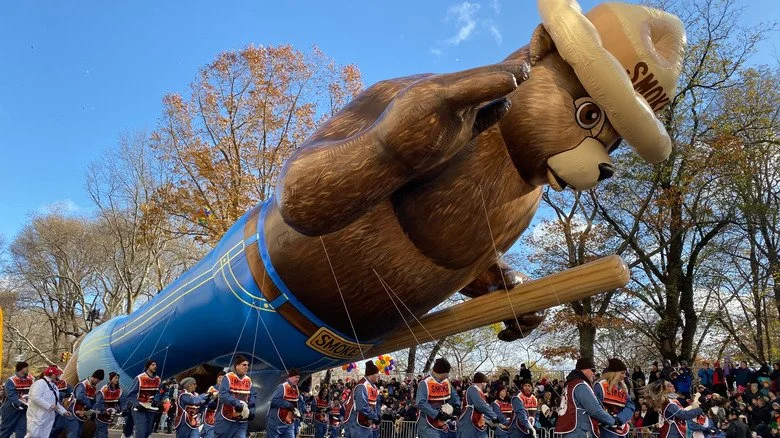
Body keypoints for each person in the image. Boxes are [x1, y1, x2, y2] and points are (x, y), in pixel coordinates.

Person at [555, 357, 617, 438]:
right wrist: (613, 421)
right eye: (592, 370)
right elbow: (594, 410)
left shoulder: (569, 384)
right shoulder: (580, 385)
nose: (594, 373)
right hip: (580, 431)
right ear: (583, 370)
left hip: (569, 430)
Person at [416, 358, 461, 438]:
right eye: (447, 373)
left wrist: (456, 406)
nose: (447, 376)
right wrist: (437, 414)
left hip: (445, 423)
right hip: (428, 424)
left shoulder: (446, 382)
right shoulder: (425, 383)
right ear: (444, 372)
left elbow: (455, 396)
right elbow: (421, 403)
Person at [593, 359, 636, 438]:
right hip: (605, 431)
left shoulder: (621, 388)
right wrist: (610, 420)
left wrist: (619, 419)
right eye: (622, 373)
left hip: (621, 429)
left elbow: (630, 406)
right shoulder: (600, 386)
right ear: (614, 373)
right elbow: (595, 409)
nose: (624, 376)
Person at [215, 355, 256, 438]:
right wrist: (236, 403)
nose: (247, 367)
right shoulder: (228, 377)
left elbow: (252, 395)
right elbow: (223, 395)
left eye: (248, 365)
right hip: (226, 417)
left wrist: (252, 410)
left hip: (242, 419)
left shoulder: (248, 380)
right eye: (244, 365)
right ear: (237, 366)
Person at [25, 365, 70, 438]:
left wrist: (63, 411)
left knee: (44, 436)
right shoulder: (40, 383)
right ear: (50, 374)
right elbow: (35, 397)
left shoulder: (54, 386)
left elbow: (56, 402)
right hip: (37, 416)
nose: (58, 376)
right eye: (56, 374)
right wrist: (49, 406)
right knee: (33, 435)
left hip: (48, 417)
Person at [126, 359, 162, 438]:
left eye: (155, 365)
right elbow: (131, 395)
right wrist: (137, 405)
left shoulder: (158, 379)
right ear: (147, 366)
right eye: (153, 365)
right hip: (139, 408)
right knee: (141, 431)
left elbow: (159, 392)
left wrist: (156, 400)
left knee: (148, 432)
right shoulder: (139, 378)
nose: (155, 366)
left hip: (151, 408)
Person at [457, 372, 500, 438]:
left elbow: (483, 406)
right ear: (482, 382)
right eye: (485, 382)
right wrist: (494, 416)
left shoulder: (477, 390)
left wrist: (490, 420)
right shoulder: (473, 389)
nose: (486, 384)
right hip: (469, 422)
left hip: (477, 422)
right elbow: (480, 405)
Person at [345, 361, 381, 438]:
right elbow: (362, 406)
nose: (379, 376)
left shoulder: (373, 387)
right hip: (356, 423)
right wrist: (375, 417)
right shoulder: (362, 386)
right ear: (371, 374)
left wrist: (377, 416)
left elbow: (375, 404)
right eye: (377, 374)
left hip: (365, 424)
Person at [65, 369, 104, 438]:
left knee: (79, 433)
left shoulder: (93, 388)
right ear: (94, 377)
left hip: (82, 414)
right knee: (74, 432)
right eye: (98, 381)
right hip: (73, 411)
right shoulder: (83, 384)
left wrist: (93, 411)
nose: (98, 383)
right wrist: (89, 405)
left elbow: (93, 401)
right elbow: (80, 396)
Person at [0, 361, 34, 438]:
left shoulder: (30, 380)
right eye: (26, 367)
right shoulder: (11, 380)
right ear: (21, 369)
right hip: (11, 408)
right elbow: (11, 395)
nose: (27, 369)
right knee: (6, 429)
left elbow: (33, 393)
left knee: (22, 429)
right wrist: (21, 403)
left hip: (24, 409)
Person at [266, 368, 301, 438]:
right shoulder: (282, 387)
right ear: (290, 377)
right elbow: (274, 400)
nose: (297, 379)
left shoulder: (296, 389)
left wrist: (300, 414)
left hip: (289, 423)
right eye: (296, 377)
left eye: (299, 377)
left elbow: (298, 403)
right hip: (275, 422)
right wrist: (288, 405)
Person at [94, 372, 124, 438]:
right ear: (111, 379)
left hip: (111, 414)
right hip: (101, 415)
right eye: (115, 378)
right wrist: (104, 411)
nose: (117, 379)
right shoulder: (104, 389)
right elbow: (98, 403)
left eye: (118, 378)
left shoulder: (119, 390)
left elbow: (122, 402)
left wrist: (121, 410)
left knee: (98, 433)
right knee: (103, 433)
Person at [49, 371, 73, 438]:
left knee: (60, 426)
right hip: (49, 407)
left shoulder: (63, 383)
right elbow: (51, 393)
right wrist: (64, 394)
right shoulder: (46, 383)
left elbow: (72, 390)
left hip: (60, 408)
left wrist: (71, 394)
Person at [201, 371, 224, 438]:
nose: (220, 379)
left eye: (223, 378)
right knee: (210, 433)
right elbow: (206, 401)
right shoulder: (212, 388)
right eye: (219, 377)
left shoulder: (227, 390)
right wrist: (211, 397)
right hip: (211, 415)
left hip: (222, 416)